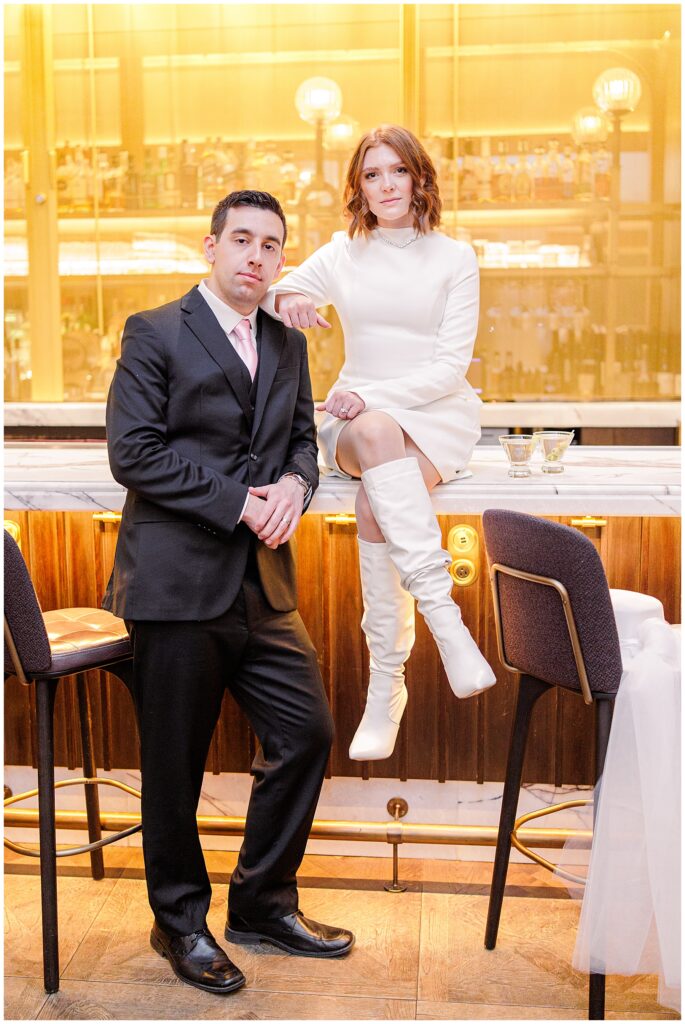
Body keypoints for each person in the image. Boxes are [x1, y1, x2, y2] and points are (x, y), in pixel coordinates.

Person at [103, 190, 354, 996]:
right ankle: (179, 923)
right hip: (176, 584)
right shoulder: (155, 331)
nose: (256, 255)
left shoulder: (286, 342)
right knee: (173, 764)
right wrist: (237, 501)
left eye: (271, 245)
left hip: (263, 586)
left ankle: (260, 904)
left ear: (282, 260)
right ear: (210, 247)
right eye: (241, 239)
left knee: (307, 732)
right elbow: (133, 453)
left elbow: (303, 441)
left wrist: (294, 485)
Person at [262, 125, 496, 762]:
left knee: (374, 504)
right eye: (372, 175)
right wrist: (292, 302)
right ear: (357, 187)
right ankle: (446, 627)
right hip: (355, 418)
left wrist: (375, 398)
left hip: (436, 414)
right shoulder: (343, 252)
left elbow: (450, 369)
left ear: (420, 178)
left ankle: (386, 683)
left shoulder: (456, 259)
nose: (386, 185)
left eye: (398, 171)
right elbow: (277, 287)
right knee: (371, 434)